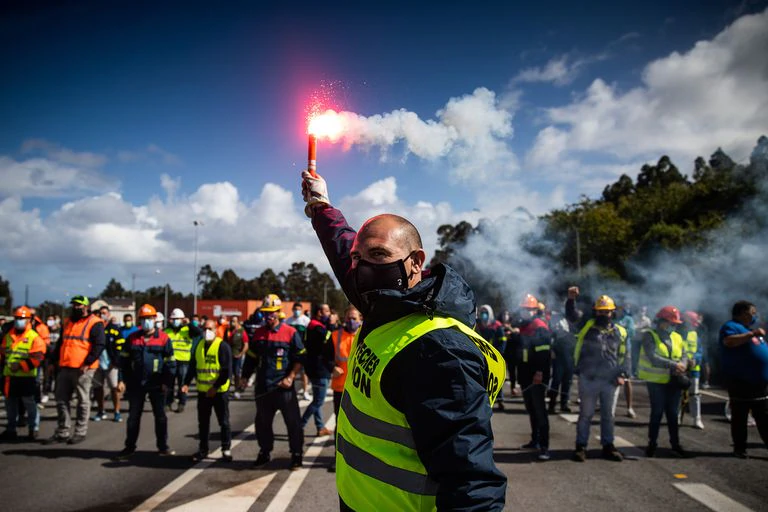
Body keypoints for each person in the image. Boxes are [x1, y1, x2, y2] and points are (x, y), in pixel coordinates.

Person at [302, 170, 507, 510]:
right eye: (358, 258)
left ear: (415, 262)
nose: (362, 266)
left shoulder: (439, 350)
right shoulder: (382, 301)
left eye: (378, 255)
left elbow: (471, 481)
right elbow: (343, 248)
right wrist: (321, 206)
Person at [240, 294, 306, 470]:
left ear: (279, 313)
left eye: (272, 313)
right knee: (262, 424)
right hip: (263, 387)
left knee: (293, 423)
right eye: (265, 313)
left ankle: (296, 455)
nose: (268, 316)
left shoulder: (290, 333)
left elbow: (300, 357)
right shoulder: (258, 334)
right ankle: (265, 452)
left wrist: (291, 376)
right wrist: (245, 376)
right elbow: (252, 358)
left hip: (284, 388)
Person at [566, 291, 629, 462]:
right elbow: (571, 316)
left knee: (608, 415)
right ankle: (581, 447)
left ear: (612, 313)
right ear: (595, 312)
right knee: (586, 414)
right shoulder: (586, 326)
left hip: (610, 380)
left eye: (607, 311)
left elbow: (624, 355)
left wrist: (622, 374)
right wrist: (571, 299)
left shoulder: (620, 332)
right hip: (589, 378)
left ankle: (608, 446)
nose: (604, 314)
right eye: (600, 311)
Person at [114, 304, 176, 459]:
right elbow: (124, 362)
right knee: (133, 417)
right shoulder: (132, 339)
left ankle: (163, 447)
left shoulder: (163, 338)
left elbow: (170, 363)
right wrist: (122, 380)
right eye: (143, 319)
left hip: (157, 384)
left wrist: (166, 382)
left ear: (155, 319)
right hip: (136, 384)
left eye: (149, 318)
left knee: (160, 417)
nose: (146, 321)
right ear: (139, 321)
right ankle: (129, 447)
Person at [45, 295, 105, 445]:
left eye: (79, 305)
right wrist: (53, 361)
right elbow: (61, 343)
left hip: (83, 368)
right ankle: (63, 431)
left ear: (86, 307)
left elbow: (99, 345)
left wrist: (88, 362)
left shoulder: (95, 323)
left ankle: (80, 432)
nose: (76, 307)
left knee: (82, 401)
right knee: (61, 399)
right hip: (65, 366)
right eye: (74, 305)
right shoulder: (68, 322)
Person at [718, 301, 768, 458]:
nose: (755, 315)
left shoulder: (749, 330)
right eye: (752, 312)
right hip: (741, 381)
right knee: (740, 416)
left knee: (764, 416)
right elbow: (729, 341)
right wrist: (751, 335)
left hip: (760, 383)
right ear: (742, 313)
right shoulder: (731, 326)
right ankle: (740, 448)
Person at [639, 306, 689, 458]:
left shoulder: (677, 337)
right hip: (656, 381)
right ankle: (652, 444)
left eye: (675, 323)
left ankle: (675, 444)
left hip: (674, 381)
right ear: (661, 321)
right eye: (670, 322)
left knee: (673, 414)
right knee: (657, 413)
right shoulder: (650, 335)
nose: (673, 326)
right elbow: (653, 356)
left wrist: (684, 364)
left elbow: (684, 354)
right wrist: (674, 365)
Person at [183, 319, 233, 462]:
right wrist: (186, 383)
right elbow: (193, 366)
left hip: (219, 391)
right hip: (203, 391)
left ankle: (226, 449)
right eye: (205, 329)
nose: (207, 332)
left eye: (210, 329)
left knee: (223, 421)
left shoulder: (222, 347)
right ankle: (203, 449)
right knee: (203, 422)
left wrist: (215, 387)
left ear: (216, 330)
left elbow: (226, 371)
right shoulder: (199, 345)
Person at [0, 306, 46, 441]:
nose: (19, 321)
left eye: (22, 319)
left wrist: (20, 365)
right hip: (9, 376)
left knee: (30, 403)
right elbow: (2, 353)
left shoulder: (34, 337)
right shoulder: (9, 335)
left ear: (28, 320)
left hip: (27, 377)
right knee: (10, 404)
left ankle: (33, 428)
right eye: (17, 318)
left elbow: (38, 358)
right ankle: (11, 429)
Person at [517, 293, 552, 461]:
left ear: (535, 310)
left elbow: (544, 353)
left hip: (536, 377)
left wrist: (539, 373)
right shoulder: (524, 326)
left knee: (540, 412)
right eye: (524, 309)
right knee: (531, 409)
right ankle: (535, 440)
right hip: (525, 376)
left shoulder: (539, 326)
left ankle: (544, 446)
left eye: (528, 310)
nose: (525, 312)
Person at [301, 303, 335, 436]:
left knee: (317, 400)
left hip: (314, 367)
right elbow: (328, 337)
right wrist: (332, 325)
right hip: (320, 369)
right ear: (319, 313)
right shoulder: (317, 328)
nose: (329, 313)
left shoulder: (312, 325)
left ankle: (320, 427)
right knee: (318, 401)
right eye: (327, 311)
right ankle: (300, 425)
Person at [91, 305, 125, 423]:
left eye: (104, 313)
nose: (102, 315)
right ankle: (101, 411)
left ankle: (116, 412)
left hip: (111, 364)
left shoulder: (115, 329)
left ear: (109, 315)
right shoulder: (95, 328)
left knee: (114, 389)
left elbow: (120, 347)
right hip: (97, 364)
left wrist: (116, 361)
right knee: (98, 388)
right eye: (100, 313)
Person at [475, 304, 508, 411]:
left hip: (494, 356)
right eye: (482, 312)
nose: (484, 314)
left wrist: (498, 354)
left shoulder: (497, 326)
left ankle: (500, 400)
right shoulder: (478, 325)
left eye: (486, 312)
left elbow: (502, 341)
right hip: (481, 356)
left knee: (495, 378)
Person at [165, 308, 193, 413]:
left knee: (183, 384)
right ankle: (168, 403)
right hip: (170, 361)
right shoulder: (166, 331)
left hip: (184, 361)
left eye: (178, 319)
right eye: (174, 318)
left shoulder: (188, 330)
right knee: (169, 384)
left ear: (182, 319)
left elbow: (198, 332)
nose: (176, 320)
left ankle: (182, 403)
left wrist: (189, 324)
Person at [682, 310, 705, 430]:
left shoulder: (695, 335)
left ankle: (697, 418)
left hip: (694, 369)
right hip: (680, 368)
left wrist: (695, 359)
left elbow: (700, 351)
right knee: (678, 394)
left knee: (694, 394)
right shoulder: (677, 334)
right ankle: (676, 417)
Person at [548, 309, 574, 413]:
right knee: (556, 380)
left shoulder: (571, 319)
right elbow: (551, 337)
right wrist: (551, 350)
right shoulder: (554, 319)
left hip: (569, 354)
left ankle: (564, 404)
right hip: (558, 354)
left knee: (567, 381)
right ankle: (552, 404)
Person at [614, 304, 637, 418]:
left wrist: (617, 330)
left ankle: (629, 407)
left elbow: (632, 333)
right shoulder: (612, 318)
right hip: (611, 351)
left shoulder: (628, 319)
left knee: (627, 379)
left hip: (625, 352)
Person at [286, 301, 311, 400]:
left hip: (302, 350)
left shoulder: (306, 321)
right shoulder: (288, 321)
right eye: (295, 309)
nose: (297, 311)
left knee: (304, 373)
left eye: (299, 309)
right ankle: (292, 392)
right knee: (291, 372)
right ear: (292, 310)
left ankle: (305, 391)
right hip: (291, 351)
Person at [224, 315, 248, 399]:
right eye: (231, 321)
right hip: (228, 356)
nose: (232, 322)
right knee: (227, 373)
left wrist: (241, 354)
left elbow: (246, 345)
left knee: (237, 374)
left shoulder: (241, 331)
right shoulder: (227, 330)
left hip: (237, 356)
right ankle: (226, 390)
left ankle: (237, 390)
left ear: (238, 322)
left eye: (234, 321)